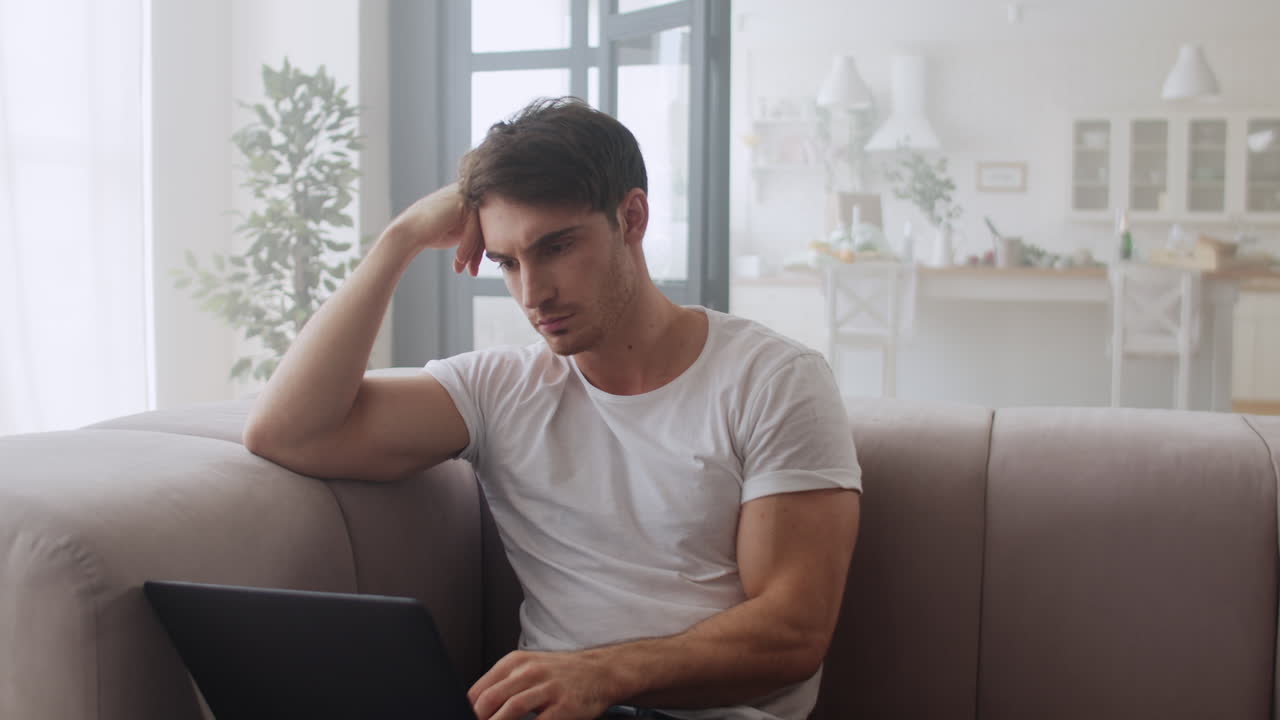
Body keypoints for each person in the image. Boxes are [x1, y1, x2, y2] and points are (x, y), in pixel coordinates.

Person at [243, 97, 861, 720]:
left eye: (556, 248)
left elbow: (793, 632)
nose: (533, 294)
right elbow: (288, 431)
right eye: (507, 262)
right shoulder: (498, 388)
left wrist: (600, 675)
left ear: (633, 217)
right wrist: (398, 241)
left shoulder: (775, 381)